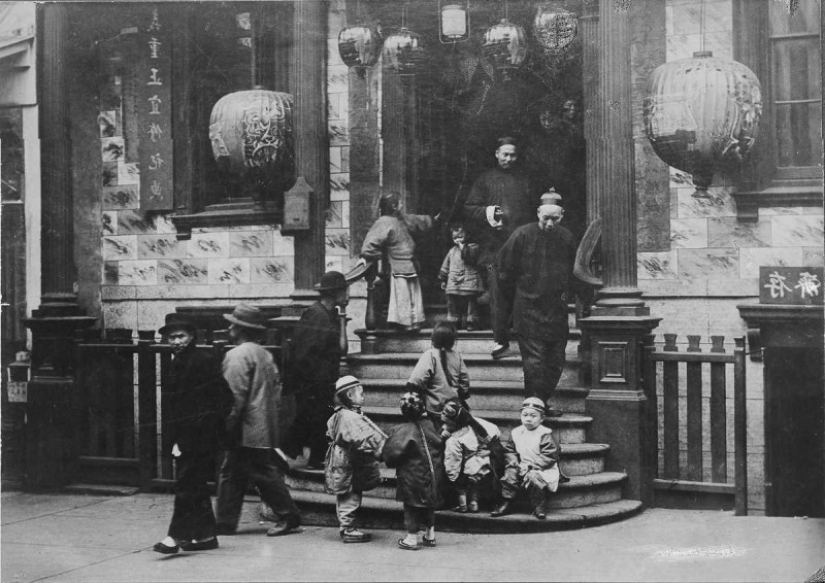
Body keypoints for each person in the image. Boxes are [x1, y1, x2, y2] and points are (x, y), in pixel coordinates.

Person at [215, 304, 302, 537]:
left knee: (259, 472)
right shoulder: (264, 354)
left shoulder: (237, 355)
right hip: (263, 424)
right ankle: (224, 522)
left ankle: (288, 515)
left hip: (246, 427)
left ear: (240, 328)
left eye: (232, 323)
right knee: (234, 471)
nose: (229, 326)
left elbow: (233, 397)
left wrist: (226, 426)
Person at [494, 193, 580, 417]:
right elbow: (502, 270)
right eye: (546, 219)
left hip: (556, 311)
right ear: (538, 214)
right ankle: (534, 408)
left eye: (555, 219)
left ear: (562, 216)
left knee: (555, 362)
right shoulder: (521, 234)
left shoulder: (567, 238)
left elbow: (576, 272)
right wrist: (515, 298)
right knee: (535, 363)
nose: (550, 224)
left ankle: (540, 402)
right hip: (528, 310)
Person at [152, 315, 232, 555]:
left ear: (192, 337)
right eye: (172, 337)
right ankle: (207, 536)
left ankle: (177, 536)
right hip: (186, 434)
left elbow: (224, 398)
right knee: (194, 484)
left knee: (186, 484)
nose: (176, 341)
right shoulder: (177, 363)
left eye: (181, 336)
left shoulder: (202, 361)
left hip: (199, 435)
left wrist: (205, 426)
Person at [461, 136, 538, 358]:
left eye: (513, 155)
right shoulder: (485, 179)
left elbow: (536, 209)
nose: (509, 159)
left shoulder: (525, 180)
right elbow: (469, 208)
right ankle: (500, 339)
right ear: (496, 153)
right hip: (494, 247)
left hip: (522, 247)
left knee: (525, 291)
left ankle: (527, 338)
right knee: (497, 293)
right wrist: (488, 212)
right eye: (505, 154)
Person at [284, 271, 349, 469]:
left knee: (315, 420)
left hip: (321, 381)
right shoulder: (316, 315)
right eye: (345, 290)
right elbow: (305, 353)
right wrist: (315, 382)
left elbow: (339, 349)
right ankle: (283, 454)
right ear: (335, 293)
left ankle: (314, 458)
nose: (348, 294)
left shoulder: (329, 314)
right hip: (312, 382)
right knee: (308, 420)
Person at [356, 191, 436, 331]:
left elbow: (415, 220)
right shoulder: (384, 222)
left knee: (412, 293)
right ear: (393, 206)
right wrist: (368, 255)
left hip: (410, 262)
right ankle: (406, 323)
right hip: (398, 264)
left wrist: (432, 219)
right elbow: (371, 242)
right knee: (404, 293)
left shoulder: (400, 218)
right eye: (399, 203)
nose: (401, 204)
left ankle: (415, 321)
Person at [324, 375, 388, 544]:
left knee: (350, 491)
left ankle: (347, 526)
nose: (364, 396)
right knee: (349, 493)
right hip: (348, 461)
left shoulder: (343, 414)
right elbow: (364, 437)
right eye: (361, 393)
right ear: (350, 396)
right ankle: (347, 529)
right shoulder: (350, 417)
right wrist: (382, 450)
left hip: (347, 459)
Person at [382, 392, 445, 550]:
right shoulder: (432, 426)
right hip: (433, 475)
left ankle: (411, 538)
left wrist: (384, 452)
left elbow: (392, 454)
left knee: (411, 507)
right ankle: (430, 535)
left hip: (412, 478)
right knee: (429, 505)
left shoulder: (404, 430)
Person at [490, 397, 560, 521]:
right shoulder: (517, 432)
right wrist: (514, 461)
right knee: (511, 471)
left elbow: (549, 455)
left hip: (542, 468)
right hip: (523, 465)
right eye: (525, 415)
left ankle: (539, 505)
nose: (528, 419)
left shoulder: (544, 434)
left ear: (542, 418)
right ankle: (508, 501)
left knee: (534, 477)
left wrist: (532, 466)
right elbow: (510, 450)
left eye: (533, 416)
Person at [440, 400, 502, 514]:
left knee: (462, 488)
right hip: (482, 463)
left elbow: (452, 463)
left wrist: (454, 478)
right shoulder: (478, 425)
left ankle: (463, 506)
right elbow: (494, 436)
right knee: (474, 487)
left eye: (448, 423)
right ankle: (474, 504)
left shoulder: (454, 440)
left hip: (470, 464)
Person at [405, 321, 470, 423]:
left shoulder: (430, 355)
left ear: (434, 338)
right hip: (454, 409)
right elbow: (464, 380)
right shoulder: (457, 356)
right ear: (453, 340)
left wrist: (419, 395)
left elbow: (416, 380)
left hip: (435, 409)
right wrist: (462, 394)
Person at [439, 223, 484, 331]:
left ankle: (471, 321)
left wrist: (463, 247)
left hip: (469, 280)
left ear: (467, 235)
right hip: (454, 281)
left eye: (460, 237)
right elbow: (446, 265)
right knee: (453, 302)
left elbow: (471, 257)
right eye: (455, 238)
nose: (457, 240)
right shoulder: (452, 251)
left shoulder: (474, 247)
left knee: (471, 303)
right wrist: (443, 279)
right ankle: (454, 321)